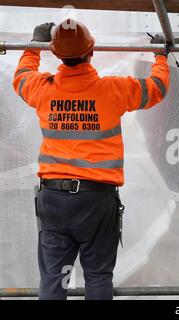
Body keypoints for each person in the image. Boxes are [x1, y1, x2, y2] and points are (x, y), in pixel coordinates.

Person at [12, 19, 170, 300]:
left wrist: (33, 48)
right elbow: (157, 87)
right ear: (91, 50)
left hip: (53, 198)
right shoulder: (113, 90)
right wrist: (160, 55)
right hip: (96, 202)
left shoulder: (43, 88)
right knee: (97, 276)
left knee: (54, 278)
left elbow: (21, 76)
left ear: (56, 54)